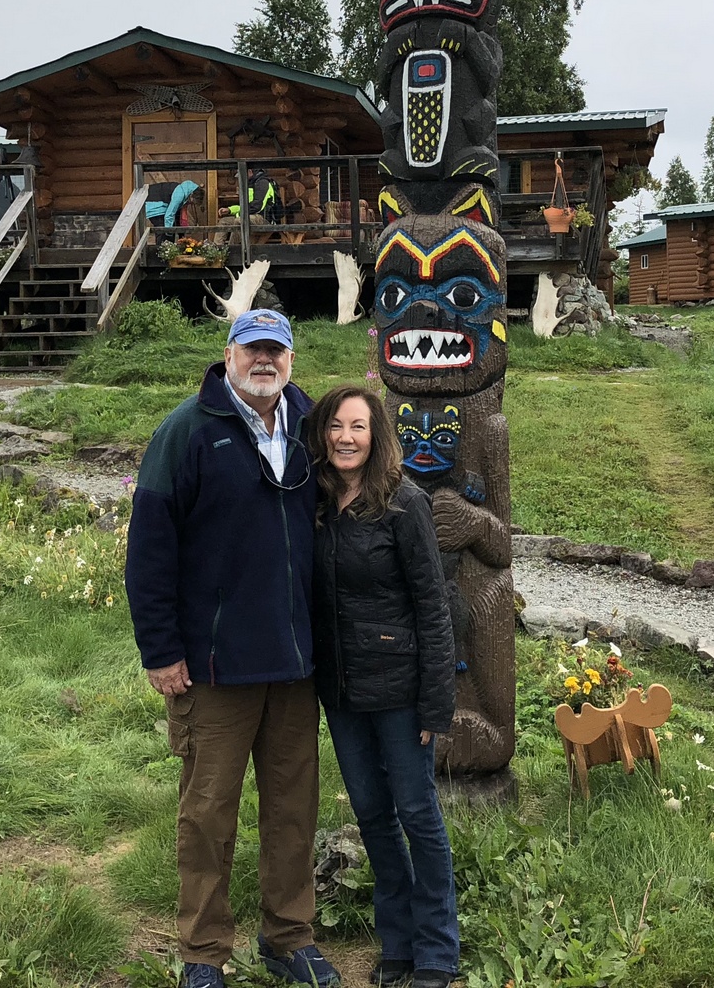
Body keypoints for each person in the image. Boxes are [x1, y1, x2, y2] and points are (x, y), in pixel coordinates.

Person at [125, 309, 341, 988]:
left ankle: (288, 938)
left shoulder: (312, 428)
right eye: (254, 350)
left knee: (293, 810)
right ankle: (202, 952)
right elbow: (149, 552)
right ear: (228, 355)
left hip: (295, 663)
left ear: (292, 360)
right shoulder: (186, 431)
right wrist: (161, 651)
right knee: (207, 815)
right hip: (213, 669)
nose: (265, 361)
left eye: (277, 350)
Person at [306, 386, 460, 988]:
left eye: (359, 427)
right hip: (342, 692)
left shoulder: (405, 504)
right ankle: (395, 942)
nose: (346, 437)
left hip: (399, 689)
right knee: (372, 816)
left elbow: (434, 605)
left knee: (417, 814)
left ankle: (436, 950)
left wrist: (436, 700)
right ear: (323, 434)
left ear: (376, 437)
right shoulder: (315, 503)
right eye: (337, 426)